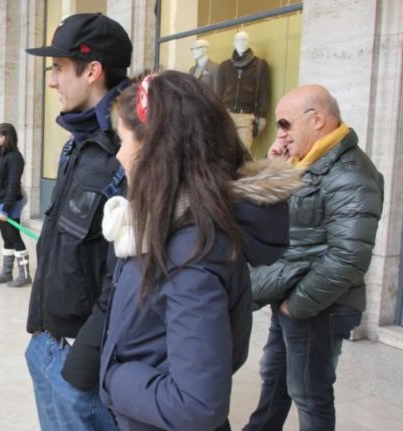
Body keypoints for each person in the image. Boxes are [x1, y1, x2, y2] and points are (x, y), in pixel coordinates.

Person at [98, 70, 300, 431]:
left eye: (123, 140)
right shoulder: (173, 230)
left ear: (154, 151)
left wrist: (114, 379)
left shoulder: (190, 253)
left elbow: (197, 405)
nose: (119, 154)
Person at [243, 85, 384, 431]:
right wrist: (273, 169)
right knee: (274, 382)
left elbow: (348, 257)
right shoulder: (309, 163)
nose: (281, 134)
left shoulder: (349, 172)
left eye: (285, 124)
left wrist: (298, 305)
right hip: (291, 294)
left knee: (309, 394)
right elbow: (258, 214)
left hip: (319, 305)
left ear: (318, 119)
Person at [24, 12, 132, 430]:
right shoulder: (78, 144)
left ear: (92, 71)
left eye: (58, 68)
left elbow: (127, 276)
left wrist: (81, 365)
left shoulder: (128, 150)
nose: (52, 81)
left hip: (82, 364)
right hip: (49, 346)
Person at [0, 122, 30, 287]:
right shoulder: (1, 154)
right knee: (6, 238)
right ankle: (7, 273)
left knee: (14, 237)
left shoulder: (15, 157)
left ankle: (25, 275)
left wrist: (5, 209)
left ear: (4, 137)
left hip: (10, 203)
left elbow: (13, 184)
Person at [216, 31, 271, 151]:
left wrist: (262, 116)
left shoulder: (259, 65)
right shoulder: (225, 66)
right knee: (225, 151)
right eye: (238, 40)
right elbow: (218, 93)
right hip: (226, 115)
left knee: (244, 153)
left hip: (246, 116)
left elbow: (264, 92)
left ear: (249, 42)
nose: (241, 43)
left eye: (244, 40)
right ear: (233, 43)